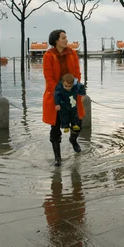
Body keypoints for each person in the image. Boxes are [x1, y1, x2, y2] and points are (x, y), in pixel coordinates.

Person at [43, 30, 85, 166]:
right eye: (63, 38)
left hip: (72, 93)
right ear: (56, 40)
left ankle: (73, 140)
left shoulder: (72, 53)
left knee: (78, 123)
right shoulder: (48, 55)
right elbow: (48, 78)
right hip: (56, 95)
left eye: (66, 37)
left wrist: (78, 90)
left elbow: (77, 73)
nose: (66, 40)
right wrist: (59, 93)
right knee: (55, 127)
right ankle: (57, 158)